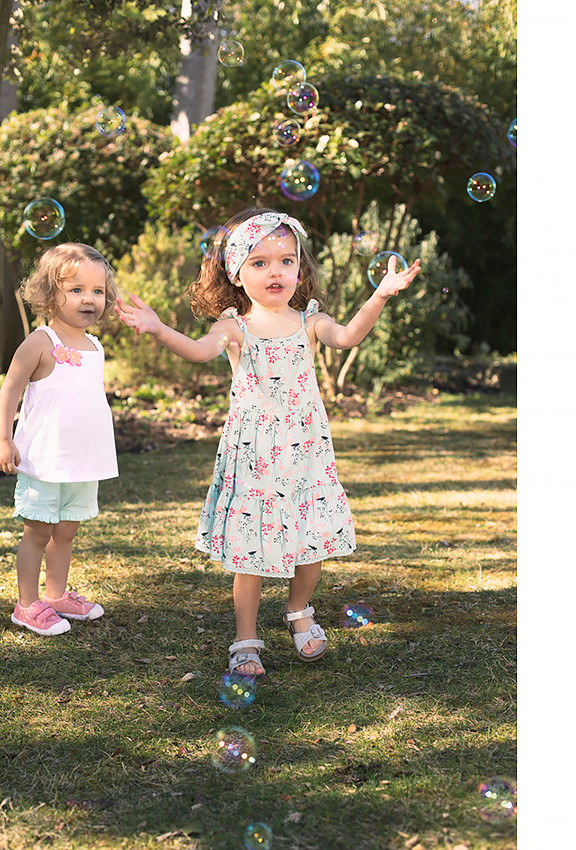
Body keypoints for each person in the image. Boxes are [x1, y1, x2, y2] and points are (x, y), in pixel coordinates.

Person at [115, 208, 421, 675]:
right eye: (259, 263)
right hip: (254, 453)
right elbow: (198, 350)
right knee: (252, 547)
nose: (275, 271)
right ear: (237, 274)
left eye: (285, 261)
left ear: (300, 268)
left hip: (305, 449)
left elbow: (348, 336)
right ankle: (245, 638)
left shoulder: (311, 321)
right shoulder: (234, 326)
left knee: (311, 537)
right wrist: (159, 328)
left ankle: (299, 611)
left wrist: (379, 294)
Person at [0, 243, 119, 636]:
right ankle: (27, 605)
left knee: (66, 531)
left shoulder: (95, 346)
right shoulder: (40, 342)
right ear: (50, 294)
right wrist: (3, 438)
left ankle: (56, 595)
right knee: (38, 531)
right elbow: (9, 392)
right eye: (77, 290)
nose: (89, 299)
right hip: (45, 460)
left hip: (81, 461)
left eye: (97, 291)